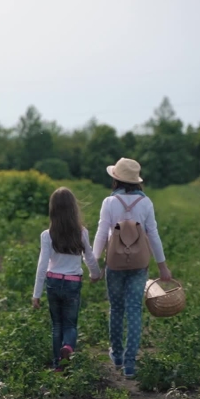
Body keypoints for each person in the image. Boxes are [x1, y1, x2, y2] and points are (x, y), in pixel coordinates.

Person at [93, 157, 172, 379]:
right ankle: (130, 364)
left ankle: (116, 355)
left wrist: (95, 263)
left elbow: (101, 233)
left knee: (116, 309)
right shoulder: (146, 203)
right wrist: (162, 266)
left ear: (116, 179)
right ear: (137, 181)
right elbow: (153, 234)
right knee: (135, 309)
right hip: (139, 264)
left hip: (114, 263)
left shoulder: (109, 203)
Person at [32, 187, 102, 371]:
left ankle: (57, 366)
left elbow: (42, 265)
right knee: (70, 324)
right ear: (73, 209)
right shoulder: (81, 232)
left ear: (52, 209)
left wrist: (36, 294)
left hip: (53, 282)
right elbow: (89, 256)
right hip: (73, 282)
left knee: (57, 325)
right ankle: (68, 347)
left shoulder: (47, 235)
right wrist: (96, 274)